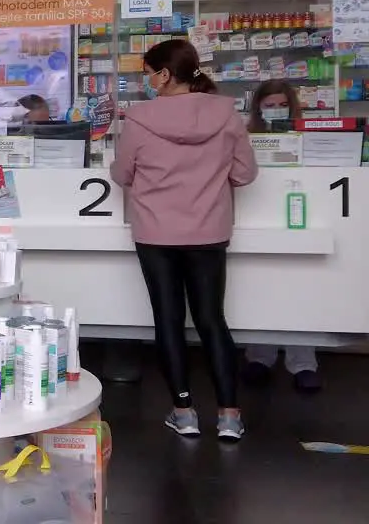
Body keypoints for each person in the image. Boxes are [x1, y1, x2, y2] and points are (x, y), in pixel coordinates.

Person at [110, 38, 258, 442]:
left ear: (164, 74)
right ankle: (229, 415)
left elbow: (122, 175)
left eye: (149, 73)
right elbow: (245, 174)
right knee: (211, 320)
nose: (147, 81)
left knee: (169, 321)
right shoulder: (226, 115)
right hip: (209, 232)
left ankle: (184, 412)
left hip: (155, 232)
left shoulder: (140, 119)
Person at [242, 80, 322, 392]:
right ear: (258, 108)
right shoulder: (248, 137)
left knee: (299, 289)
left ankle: (303, 363)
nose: (276, 110)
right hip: (258, 217)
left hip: (298, 214)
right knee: (261, 289)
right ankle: (259, 357)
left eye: (281, 104)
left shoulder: (303, 134)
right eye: (269, 105)